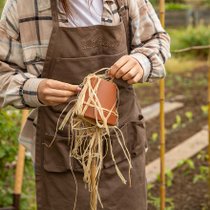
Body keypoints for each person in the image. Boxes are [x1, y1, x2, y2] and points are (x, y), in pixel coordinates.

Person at [0, 0, 170, 209]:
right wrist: (34, 89)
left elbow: (157, 39)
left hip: (121, 149)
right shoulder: (23, 6)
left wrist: (141, 61)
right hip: (61, 154)